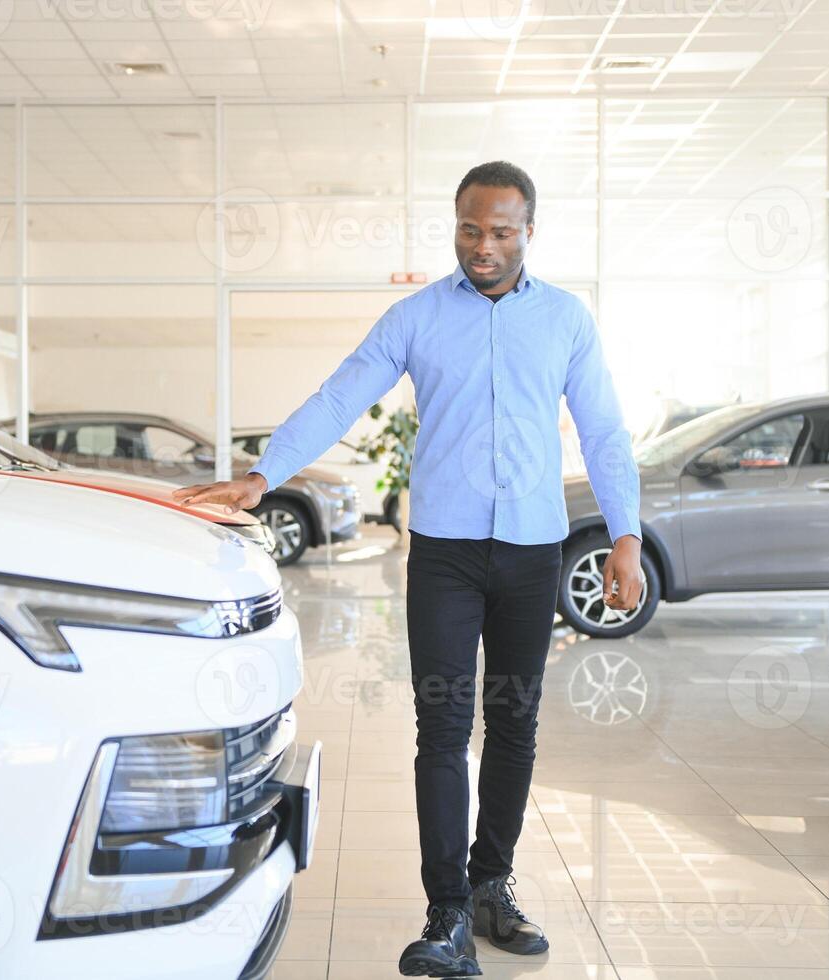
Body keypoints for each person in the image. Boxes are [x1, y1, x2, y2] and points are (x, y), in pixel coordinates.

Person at [172, 160, 642, 978]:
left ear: (530, 230)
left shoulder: (565, 320)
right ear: (454, 225)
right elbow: (339, 393)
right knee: (443, 729)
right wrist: (265, 473)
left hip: (532, 551)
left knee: (516, 725)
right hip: (446, 557)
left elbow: (602, 430)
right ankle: (448, 911)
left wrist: (627, 535)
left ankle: (493, 882)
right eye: (470, 230)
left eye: (500, 231)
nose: (483, 246)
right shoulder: (418, 316)